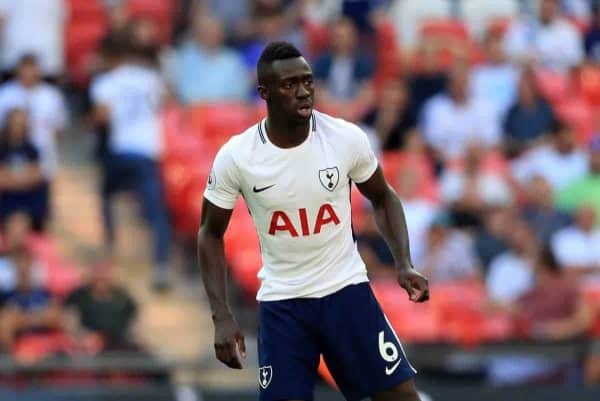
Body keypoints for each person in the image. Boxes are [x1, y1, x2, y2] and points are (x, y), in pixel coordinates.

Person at [198, 42, 429, 401]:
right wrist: (222, 316)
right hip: (284, 302)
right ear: (265, 93)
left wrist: (404, 263)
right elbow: (210, 233)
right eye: (289, 84)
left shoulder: (345, 138)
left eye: (307, 81)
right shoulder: (238, 156)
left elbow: (383, 196)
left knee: (401, 397)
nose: (303, 91)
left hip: (345, 291)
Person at [91, 37, 172, 291]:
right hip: (148, 151)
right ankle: (161, 266)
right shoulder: (149, 77)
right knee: (156, 212)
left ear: (109, 57)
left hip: (121, 150)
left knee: (106, 196)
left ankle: (110, 249)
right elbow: (164, 102)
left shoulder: (105, 82)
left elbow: (102, 116)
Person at [0, 54, 68, 180]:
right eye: (25, 70)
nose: (28, 75)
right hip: (12, 159)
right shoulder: (5, 94)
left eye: (32, 70)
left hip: (44, 157)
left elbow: (58, 129)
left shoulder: (51, 95)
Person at [64, 256, 139, 352]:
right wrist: (81, 337)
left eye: (105, 272)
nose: (102, 276)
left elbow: (132, 323)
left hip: (118, 344)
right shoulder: (79, 295)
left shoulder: (122, 297)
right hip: (86, 345)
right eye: (98, 271)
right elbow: (67, 318)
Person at [173, 14, 250, 104]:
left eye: (215, 31)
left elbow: (241, 92)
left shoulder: (232, 59)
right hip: (194, 112)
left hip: (226, 111)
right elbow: (184, 92)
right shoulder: (186, 58)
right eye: (207, 31)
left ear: (222, 34)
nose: (211, 35)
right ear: (198, 34)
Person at [503, 0, 583, 73]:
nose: (547, 7)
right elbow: (508, 53)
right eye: (544, 3)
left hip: (557, 80)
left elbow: (575, 61)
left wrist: (545, 57)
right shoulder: (522, 26)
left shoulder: (568, 31)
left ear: (557, 6)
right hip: (525, 80)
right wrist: (525, 58)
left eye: (551, 3)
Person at [0, 109, 48, 229]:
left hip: (28, 201)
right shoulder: (2, 149)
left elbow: (37, 176)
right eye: (16, 123)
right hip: (6, 201)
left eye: (22, 123)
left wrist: (11, 177)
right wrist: (24, 178)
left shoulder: (32, 149)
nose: (18, 127)